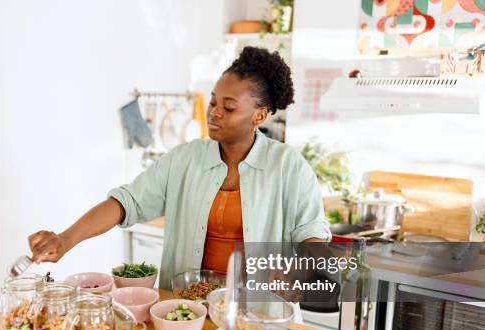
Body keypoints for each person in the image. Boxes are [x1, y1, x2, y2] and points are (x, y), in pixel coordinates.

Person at [28, 46, 330, 294]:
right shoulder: (186, 159)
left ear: (259, 115)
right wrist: (65, 240)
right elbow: (126, 202)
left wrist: (296, 273)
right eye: (213, 102)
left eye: (228, 108)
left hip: (259, 316)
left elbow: (312, 237)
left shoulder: (288, 167)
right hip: (188, 308)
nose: (214, 112)